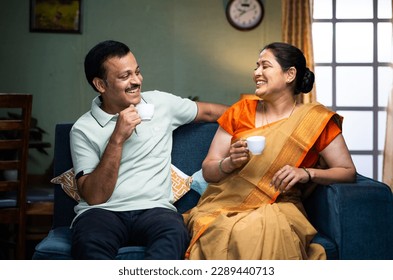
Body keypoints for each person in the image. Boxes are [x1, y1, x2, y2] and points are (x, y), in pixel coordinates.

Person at [184, 42, 356, 260]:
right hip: (225, 203)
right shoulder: (240, 112)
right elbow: (209, 170)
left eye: (265, 66)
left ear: (290, 74)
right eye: (256, 67)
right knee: (225, 229)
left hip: (280, 204)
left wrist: (306, 173)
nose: (256, 73)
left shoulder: (315, 121)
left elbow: (347, 171)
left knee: (262, 229)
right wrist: (229, 163)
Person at [69, 40, 228, 259]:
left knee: (174, 233)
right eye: (125, 76)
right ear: (100, 85)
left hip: (156, 210)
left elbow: (210, 113)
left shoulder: (161, 104)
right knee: (89, 241)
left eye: (137, 72)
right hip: (102, 213)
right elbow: (95, 197)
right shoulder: (83, 129)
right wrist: (117, 138)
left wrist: (262, 115)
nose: (136, 81)